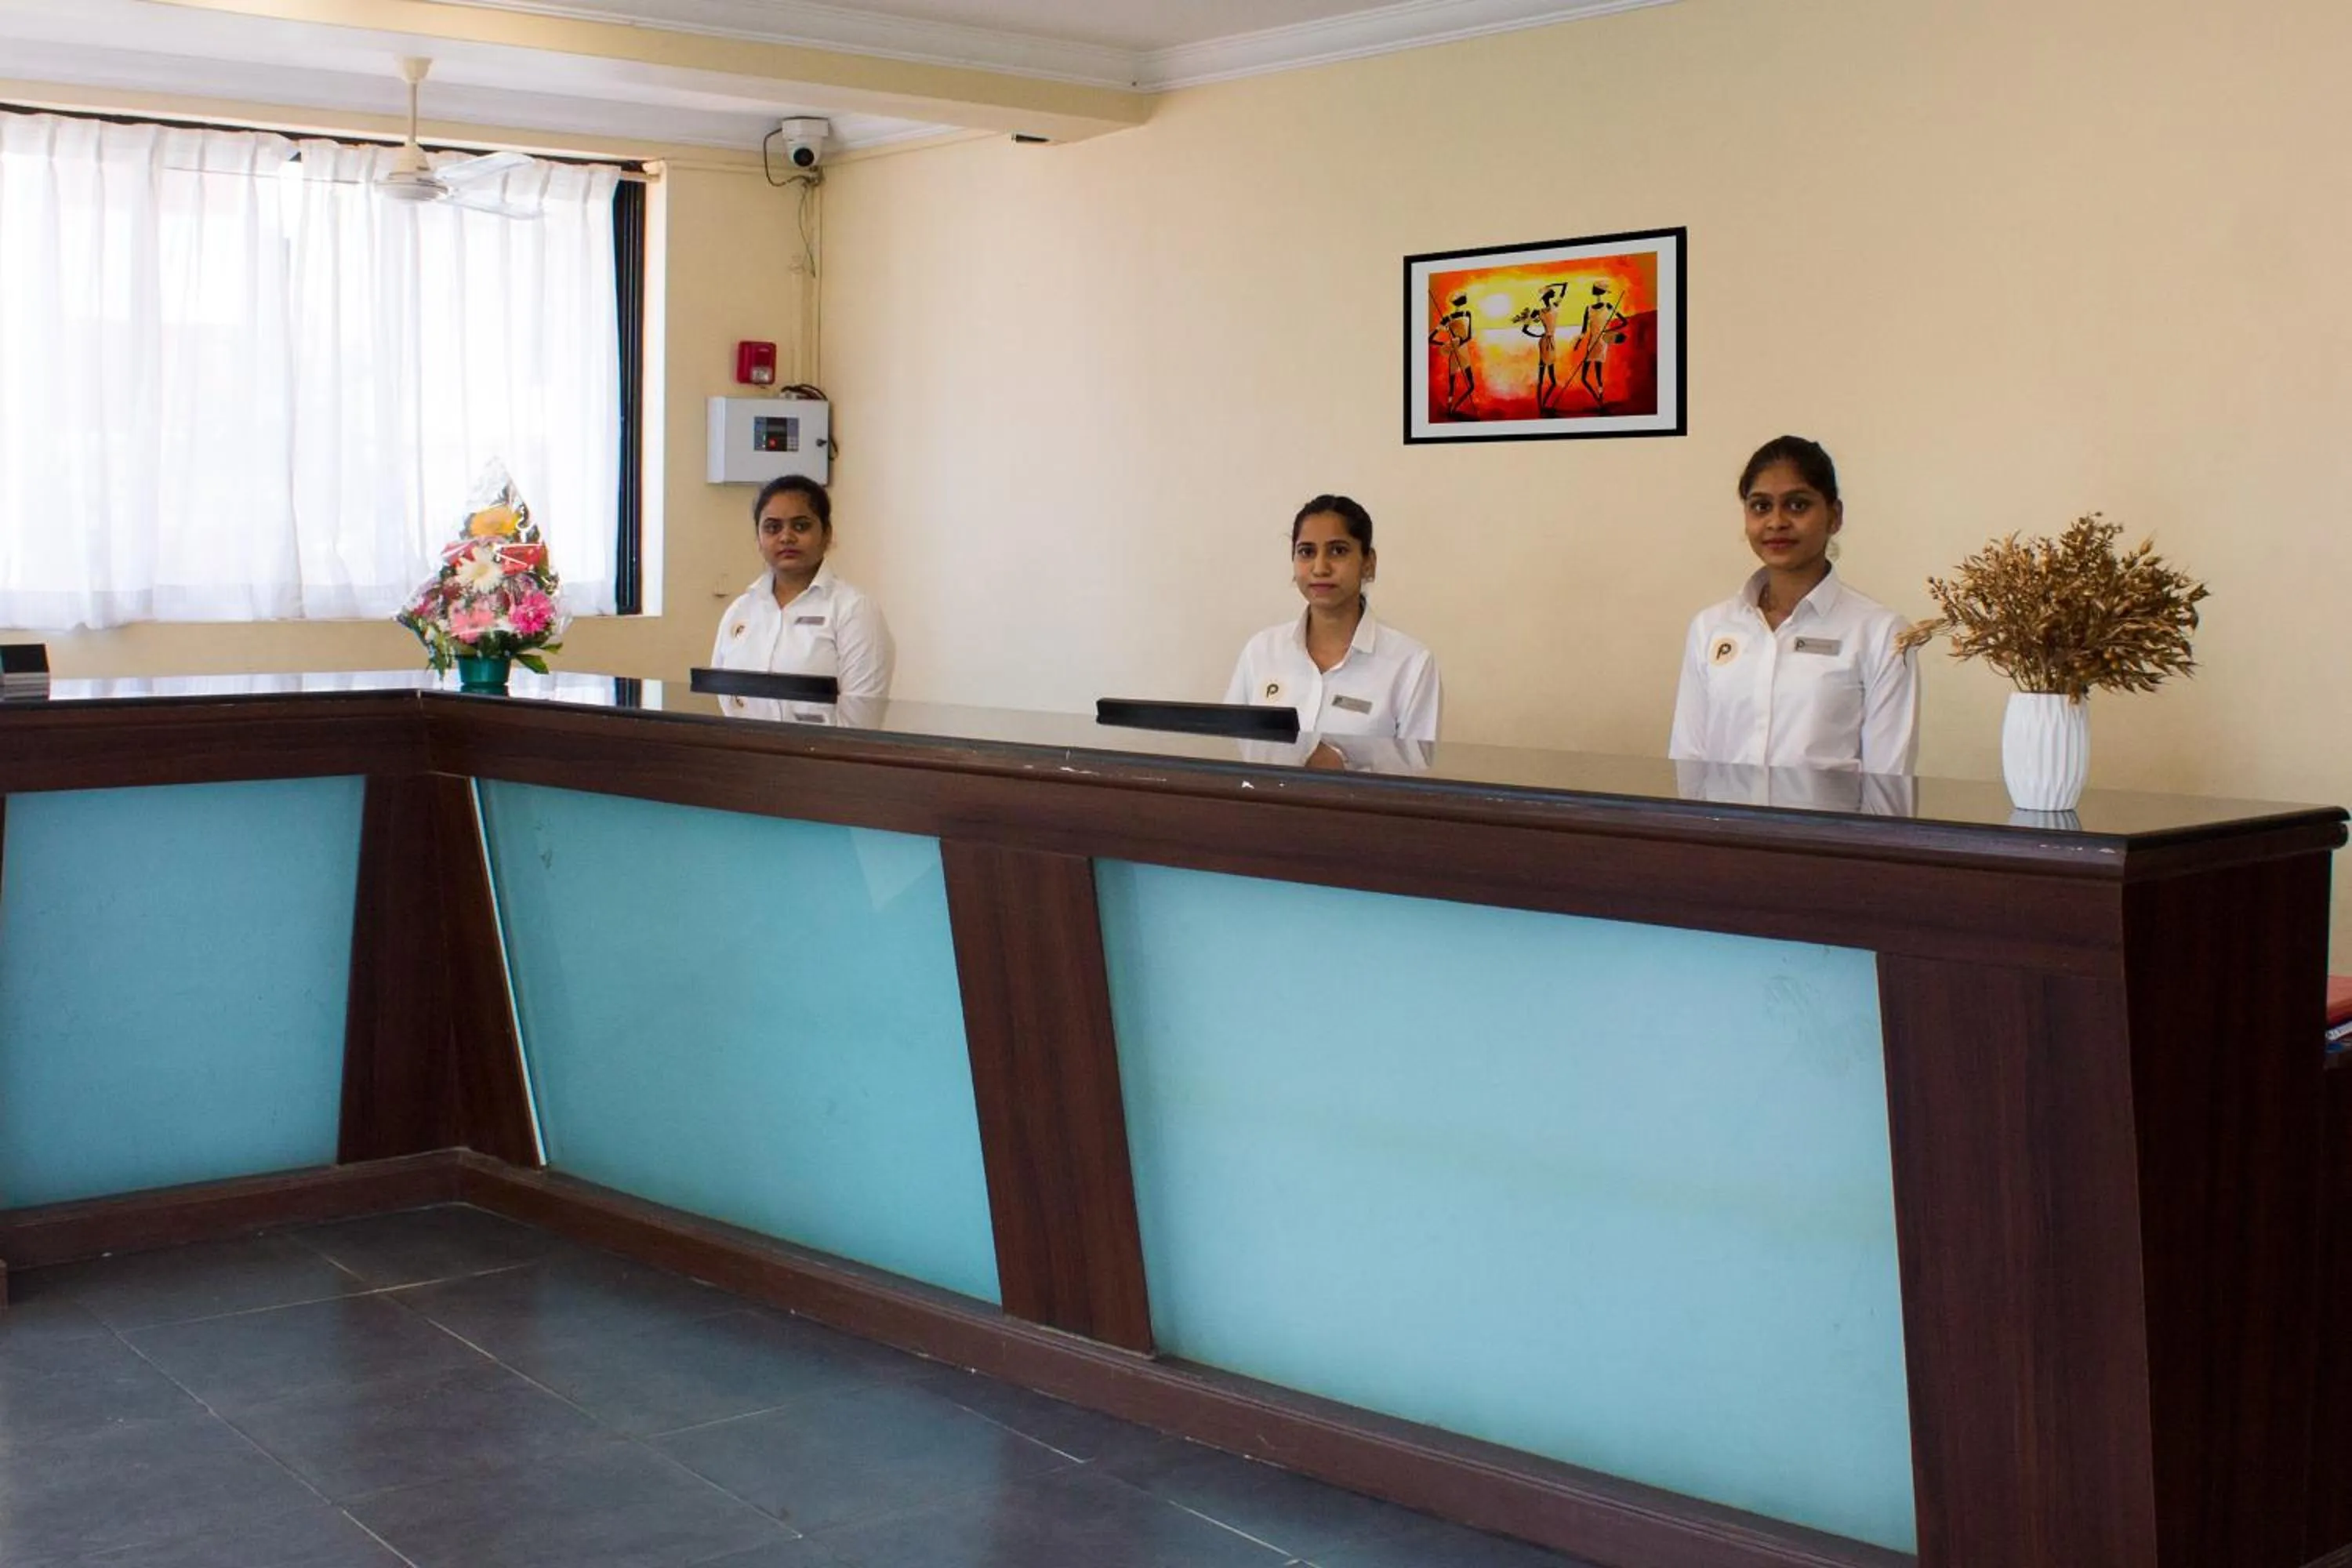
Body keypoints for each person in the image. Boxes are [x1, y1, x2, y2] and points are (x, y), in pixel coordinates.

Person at [1668, 437, 1918, 774]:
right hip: (1723, 827)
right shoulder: (1711, 627)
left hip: (1827, 827)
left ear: (1834, 516)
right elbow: (1688, 762)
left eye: (1797, 505)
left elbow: (1888, 781)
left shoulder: (1882, 633)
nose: (1776, 522)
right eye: (1761, 506)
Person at [1226, 495, 1440, 742]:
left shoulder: (1411, 664)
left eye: (1338, 551)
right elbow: (1231, 751)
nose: (1320, 568)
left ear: (1368, 563)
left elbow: (1416, 772)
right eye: (1306, 552)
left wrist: (1348, 761)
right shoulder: (1261, 651)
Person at [710, 476, 895, 715]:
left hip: (822, 752)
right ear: (759, 539)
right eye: (773, 528)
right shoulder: (741, 611)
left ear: (827, 534)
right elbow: (723, 699)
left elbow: (862, 716)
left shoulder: (854, 610)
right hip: (745, 750)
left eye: (801, 526)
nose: (786, 537)